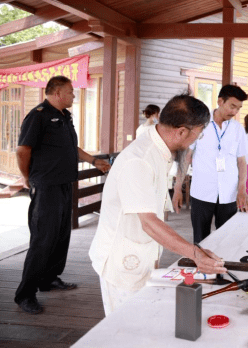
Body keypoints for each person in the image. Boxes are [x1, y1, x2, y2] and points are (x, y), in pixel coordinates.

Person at [89, 93, 227, 315]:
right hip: (121, 261)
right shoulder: (140, 160)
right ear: (182, 131)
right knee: (124, 329)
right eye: (198, 135)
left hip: (142, 252)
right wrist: (195, 254)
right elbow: (149, 223)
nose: (196, 141)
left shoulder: (160, 150)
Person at [14, 76, 111, 315]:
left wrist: (93, 160)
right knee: (42, 239)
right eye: (70, 92)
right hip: (46, 185)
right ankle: (25, 294)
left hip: (64, 184)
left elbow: (71, 148)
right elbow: (22, 150)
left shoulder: (65, 117)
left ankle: (49, 279)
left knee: (60, 235)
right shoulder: (38, 115)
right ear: (57, 92)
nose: (74, 96)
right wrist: (28, 178)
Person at [173, 85, 248, 243]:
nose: (235, 112)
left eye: (238, 108)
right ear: (220, 101)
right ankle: (203, 268)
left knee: (227, 240)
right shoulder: (199, 124)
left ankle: (223, 267)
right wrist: (177, 189)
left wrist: (242, 189)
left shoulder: (237, 129)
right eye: (232, 106)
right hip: (202, 192)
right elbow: (186, 158)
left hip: (229, 194)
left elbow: (242, 162)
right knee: (201, 241)